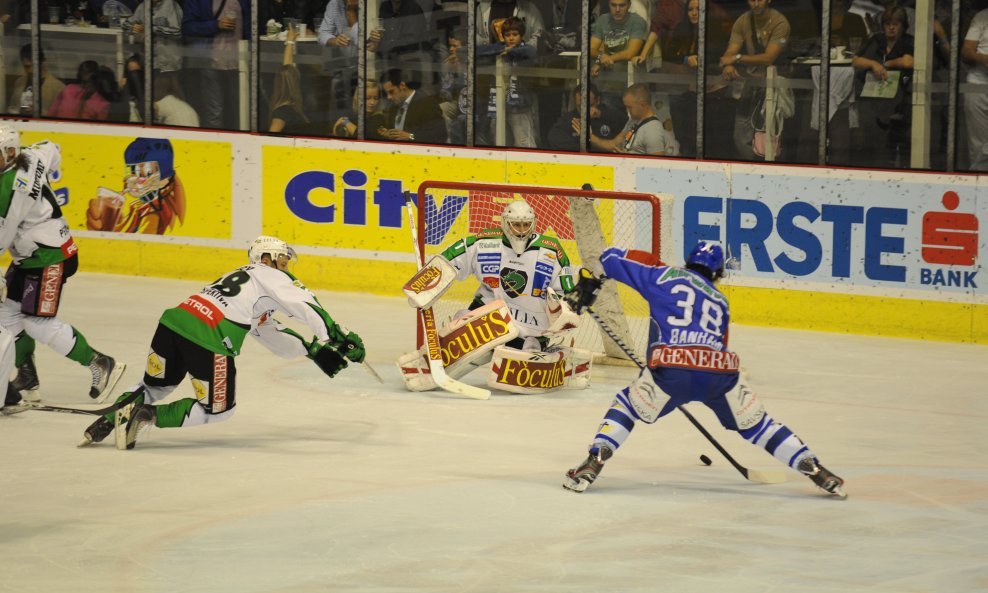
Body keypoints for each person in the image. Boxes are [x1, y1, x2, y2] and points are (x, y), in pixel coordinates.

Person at [561, 241, 847, 498]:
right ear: (718, 273)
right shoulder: (721, 302)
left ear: (688, 261)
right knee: (759, 425)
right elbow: (716, 345)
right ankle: (815, 469)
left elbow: (610, 256)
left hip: (672, 370)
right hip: (719, 373)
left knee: (627, 407)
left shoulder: (662, 275)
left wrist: (592, 285)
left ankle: (594, 461)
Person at [81, 235, 367, 449]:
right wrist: (337, 338)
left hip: (173, 323)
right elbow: (305, 304)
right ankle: (146, 415)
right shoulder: (269, 275)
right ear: (265, 258)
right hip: (210, 336)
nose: (286, 266)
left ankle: (106, 422)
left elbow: (268, 332)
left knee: (155, 386)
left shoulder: (243, 281)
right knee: (219, 409)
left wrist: (312, 350)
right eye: (282, 259)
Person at [398, 200, 589, 394]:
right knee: (463, 325)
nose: (521, 230)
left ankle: (556, 360)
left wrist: (565, 310)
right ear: (506, 223)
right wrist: (425, 285)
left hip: (532, 324)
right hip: (492, 312)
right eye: (516, 224)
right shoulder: (485, 243)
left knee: (527, 354)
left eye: (525, 225)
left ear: (533, 224)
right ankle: (428, 364)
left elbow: (565, 291)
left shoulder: (551, 250)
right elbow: (450, 259)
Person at [0, 124, 127, 407]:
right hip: (35, 255)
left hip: (48, 257)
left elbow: (1, 237)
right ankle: (28, 378)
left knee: (37, 322)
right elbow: (52, 148)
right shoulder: (32, 155)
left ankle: (101, 363)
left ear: (9, 153)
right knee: (6, 314)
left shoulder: (10, 190)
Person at [718, 0, 792, 160]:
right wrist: (727, 66)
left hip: (776, 84)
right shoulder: (743, 21)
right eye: (752, 0)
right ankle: (753, 169)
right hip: (751, 83)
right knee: (740, 136)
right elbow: (728, 55)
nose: (756, 3)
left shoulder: (780, 22)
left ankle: (770, 172)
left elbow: (769, 58)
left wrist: (736, 58)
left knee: (773, 139)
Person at [851, 4, 913, 168]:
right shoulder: (876, 40)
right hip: (875, 101)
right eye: (887, 24)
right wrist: (873, 64)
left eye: (896, 24)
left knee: (902, 141)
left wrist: (886, 63)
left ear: (903, 25)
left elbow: (908, 61)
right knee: (877, 143)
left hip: (901, 100)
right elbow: (856, 61)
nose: (891, 28)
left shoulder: (908, 40)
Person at [85, 137, 186, 234]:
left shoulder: (152, 214)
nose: (135, 180)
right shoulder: (142, 207)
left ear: (165, 178)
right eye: (133, 171)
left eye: (148, 172)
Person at [181, 0, 251, 130]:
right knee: (214, 111)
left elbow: (250, 25)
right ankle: (215, 146)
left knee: (241, 109)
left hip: (240, 61)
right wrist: (215, 25)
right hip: (211, 61)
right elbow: (187, 27)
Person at [477, 16, 539, 148]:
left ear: (521, 36)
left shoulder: (525, 49)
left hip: (519, 104)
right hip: (498, 103)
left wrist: (511, 52)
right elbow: (480, 50)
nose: (510, 38)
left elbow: (532, 51)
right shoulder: (500, 47)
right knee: (499, 138)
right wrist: (502, 49)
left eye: (515, 34)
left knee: (524, 141)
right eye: (507, 35)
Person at [589, 83, 680, 155]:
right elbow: (614, 144)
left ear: (643, 105)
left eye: (630, 107)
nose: (627, 111)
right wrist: (588, 135)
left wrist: (629, 160)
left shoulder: (652, 131)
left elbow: (656, 169)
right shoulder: (633, 121)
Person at [589, 0, 647, 92]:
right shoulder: (602, 20)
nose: (617, 9)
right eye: (613, 5)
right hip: (606, 81)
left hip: (630, 81)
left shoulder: (637, 22)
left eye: (622, 5)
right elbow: (591, 49)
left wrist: (604, 59)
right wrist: (600, 58)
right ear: (609, 5)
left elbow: (630, 53)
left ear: (629, 5)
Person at [546, 83, 625, 150]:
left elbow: (626, 122)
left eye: (589, 105)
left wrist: (601, 114)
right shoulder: (571, 118)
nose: (585, 110)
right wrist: (584, 148)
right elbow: (553, 137)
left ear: (598, 100)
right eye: (580, 106)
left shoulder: (608, 114)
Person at [377, 68, 447, 144]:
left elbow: (440, 134)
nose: (389, 97)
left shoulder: (426, 102)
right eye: (387, 93)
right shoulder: (392, 106)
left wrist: (411, 136)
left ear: (402, 85)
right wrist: (388, 133)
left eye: (391, 92)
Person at [268, 27, 311, 134]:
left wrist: (290, 41)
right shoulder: (282, 112)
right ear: (295, 82)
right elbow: (271, 135)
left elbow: (287, 66)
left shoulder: (289, 104)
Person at [962, 5, 988, 171]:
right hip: (978, 85)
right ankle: (978, 188)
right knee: (978, 145)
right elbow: (966, 51)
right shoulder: (982, 16)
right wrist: (983, 58)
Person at [126, 0, 184, 75]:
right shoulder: (143, 5)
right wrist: (132, 27)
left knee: (170, 85)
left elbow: (177, 32)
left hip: (169, 63)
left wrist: (150, 29)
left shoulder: (170, 4)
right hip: (149, 61)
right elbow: (125, 25)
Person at [7, 44, 65, 116]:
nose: (30, 70)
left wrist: (39, 112)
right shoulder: (19, 82)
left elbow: (61, 117)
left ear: (43, 62)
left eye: (33, 66)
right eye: (26, 66)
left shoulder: (58, 87)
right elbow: (12, 107)